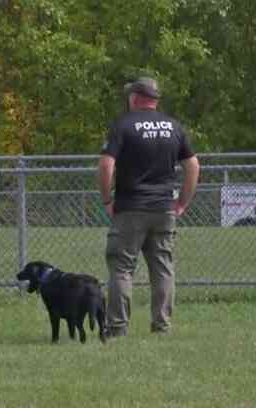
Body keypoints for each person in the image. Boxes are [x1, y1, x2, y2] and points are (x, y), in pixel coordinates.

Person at [98, 77, 200, 337]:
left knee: (121, 268)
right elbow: (193, 166)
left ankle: (118, 327)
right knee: (163, 268)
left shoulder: (123, 125)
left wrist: (107, 200)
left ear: (135, 98)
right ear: (155, 100)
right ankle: (162, 326)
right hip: (164, 208)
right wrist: (182, 203)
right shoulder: (174, 127)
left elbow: (107, 164)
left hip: (130, 207)